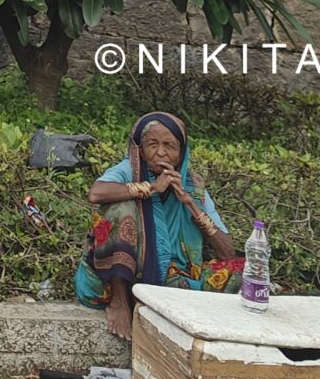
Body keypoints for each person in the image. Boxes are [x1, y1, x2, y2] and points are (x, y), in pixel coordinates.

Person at [74, 110, 241, 339]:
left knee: (241, 272)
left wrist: (190, 203)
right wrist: (150, 188)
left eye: (169, 146)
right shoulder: (129, 170)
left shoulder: (193, 187)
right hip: (122, 277)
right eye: (152, 144)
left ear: (181, 153)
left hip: (174, 277)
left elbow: (227, 252)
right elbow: (96, 193)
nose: (161, 152)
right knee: (121, 209)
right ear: (141, 149)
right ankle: (120, 301)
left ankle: (167, 305)